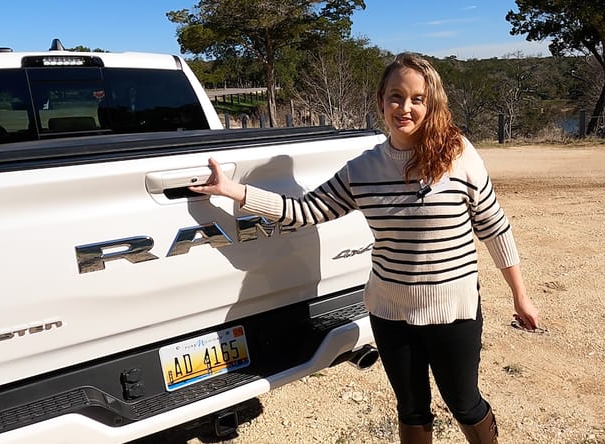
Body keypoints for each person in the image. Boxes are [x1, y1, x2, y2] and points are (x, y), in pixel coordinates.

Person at [189, 53, 540, 444]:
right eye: (395, 96)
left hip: (452, 310)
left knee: (464, 402)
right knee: (411, 409)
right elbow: (305, 211)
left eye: (417, 99)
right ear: (381, 101)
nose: (404, 108)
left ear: (431, 103)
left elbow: (494, 225)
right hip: (390, 312)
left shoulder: (458, 154)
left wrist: (520, 296)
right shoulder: (363, 169)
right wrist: (231, 190)